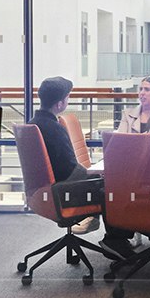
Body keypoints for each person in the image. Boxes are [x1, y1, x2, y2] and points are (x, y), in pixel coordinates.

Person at [28, 77, 105, 205]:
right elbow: (70, 169)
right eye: (67, 98)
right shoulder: (55, 129)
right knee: (112, 189)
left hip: (43, 190)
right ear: (59, 104)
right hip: (63, 191)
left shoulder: (32, 124)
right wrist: (94, 176)